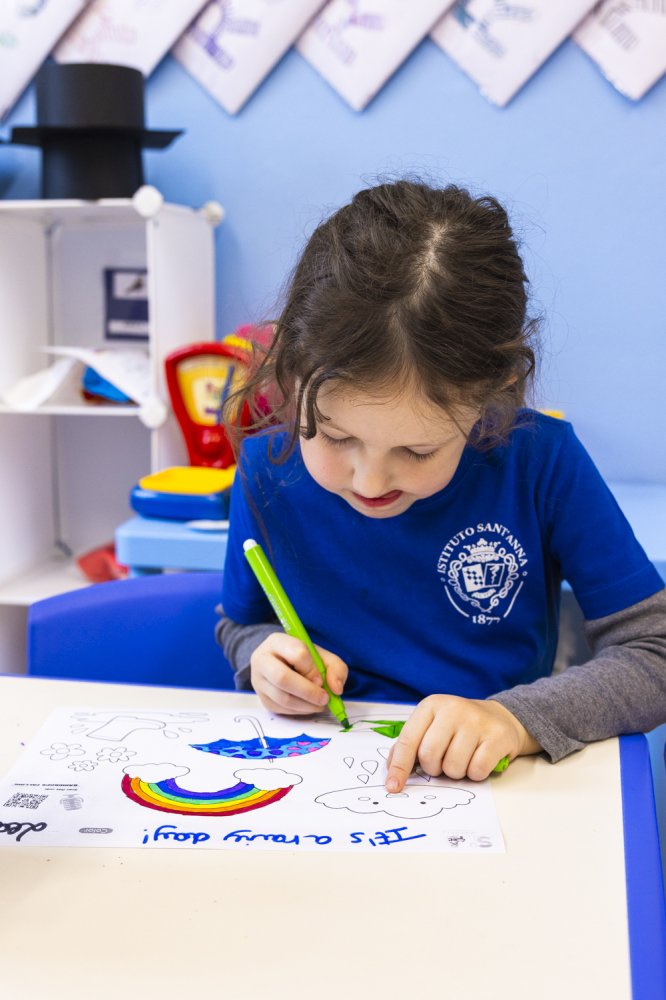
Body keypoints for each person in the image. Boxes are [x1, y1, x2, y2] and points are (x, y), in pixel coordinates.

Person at [216, 179, 666, 793]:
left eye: (417, 449)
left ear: (490, 397)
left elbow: (654, 652)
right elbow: (239, 621)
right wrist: (264, 658)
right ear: (291, 378)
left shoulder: (540, 462)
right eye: (334, 435)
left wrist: (513, 720)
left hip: (497, 792)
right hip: (323, 781)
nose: (370, 480)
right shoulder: (266, 469)